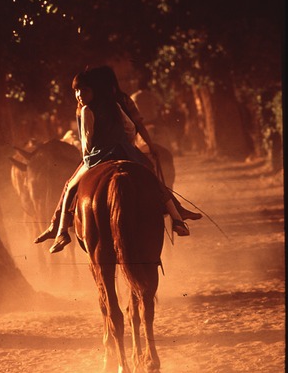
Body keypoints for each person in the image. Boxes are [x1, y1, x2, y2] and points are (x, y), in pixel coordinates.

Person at [35, 68, 192, 255]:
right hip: (125, 151)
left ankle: (61, 231)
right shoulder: (116, 104)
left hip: (98, 155)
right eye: (76, 91)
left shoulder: (86, 110)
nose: (79, 95)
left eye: (83, 90)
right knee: (152, 179)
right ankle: (177, 218)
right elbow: (131, 127)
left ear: (94, 90)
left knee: (69, 187)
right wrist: (126, 144)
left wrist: (87, 158)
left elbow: (87, 139)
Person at [89, 65, 202, 222]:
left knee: (74, 186)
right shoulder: (125, 99)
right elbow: (135, 125)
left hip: (98, 153)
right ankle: (176, 210)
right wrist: (149, 145)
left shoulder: (91, 104)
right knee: (151, 173)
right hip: (130, 143)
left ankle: (63, 222)